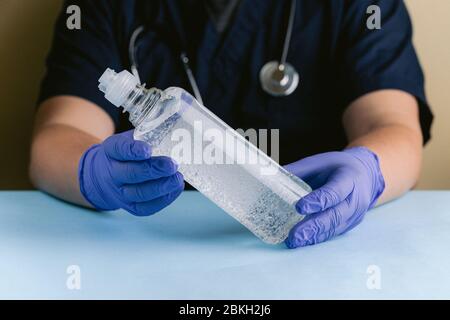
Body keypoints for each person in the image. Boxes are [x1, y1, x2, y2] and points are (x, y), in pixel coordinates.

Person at [29, 0, 433, 248]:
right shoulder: (103, 5)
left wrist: (367, 170)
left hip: (309, 230)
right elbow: (56, 138)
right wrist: (92, 173)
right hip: (156, 245)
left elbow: (393, 125)